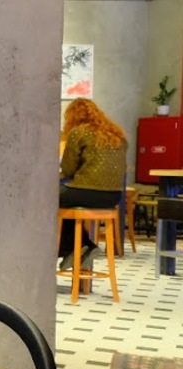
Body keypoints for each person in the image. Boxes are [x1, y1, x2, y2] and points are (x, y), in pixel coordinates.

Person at [58, 98, 128, 271]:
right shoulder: (117, 135)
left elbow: (68, 169)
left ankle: (74, 248)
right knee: (64, 201)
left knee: (49, 199)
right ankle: (81, 247)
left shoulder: (79, 132)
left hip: (86, 191)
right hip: (113, 197)